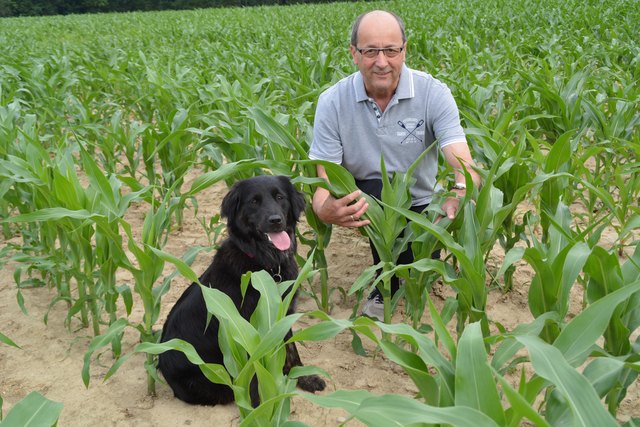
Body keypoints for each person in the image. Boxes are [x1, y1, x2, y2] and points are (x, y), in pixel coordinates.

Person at [309, 10, 482, 319]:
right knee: (377, 191)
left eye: (391, 50)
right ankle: (384, 282)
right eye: (370, 51)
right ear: (354, 53)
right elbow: (324, 181)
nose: (381, 61)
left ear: (405, 50)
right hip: (367, 203)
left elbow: (464, 166)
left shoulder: (433, 93)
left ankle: (411, 264)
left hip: (422, 201)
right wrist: (323, 209)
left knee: (421, 263)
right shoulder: (332, 102)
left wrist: (458, 191)